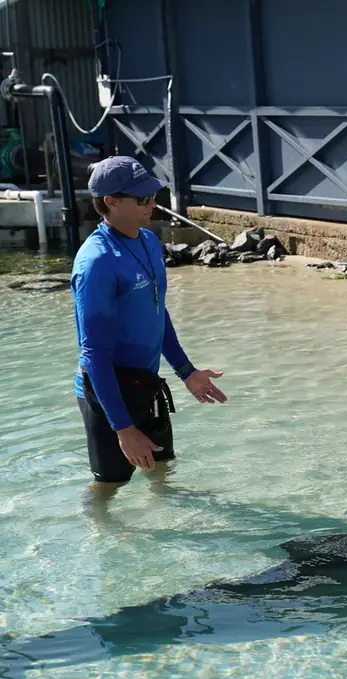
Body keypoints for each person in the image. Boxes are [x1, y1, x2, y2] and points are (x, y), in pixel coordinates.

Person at [71, 156, 227, 497]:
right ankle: (100, 539)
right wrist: (123, 428)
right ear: (111, 202)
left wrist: (186, 372)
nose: (152, 203)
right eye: (142, 198)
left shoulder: (147, 241)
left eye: (153, 194)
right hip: (107, 390)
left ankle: (170, 536)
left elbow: (157, 311)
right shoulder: (96, 264)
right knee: (108, 487)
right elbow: (94, 352)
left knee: (161, 469)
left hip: (146, 383)